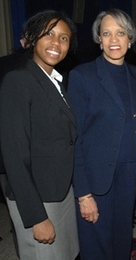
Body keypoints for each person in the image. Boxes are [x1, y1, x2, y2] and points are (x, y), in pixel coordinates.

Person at [67, 9, 136, 260]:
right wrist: (83, 193)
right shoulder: (83, 76)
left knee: (122, 242)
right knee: (96, 247)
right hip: (96, 181)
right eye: (107, 33)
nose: (114, 40)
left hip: (128, 178)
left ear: (130, 38)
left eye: (120, 33)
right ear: (99, 39)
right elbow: (75, 139)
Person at [0, 10, 79, 260]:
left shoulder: (55, 80)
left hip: (59, 190)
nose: (56, 43)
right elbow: (14, 155)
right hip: (37, 197)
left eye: (64, 38)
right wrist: (36, 216)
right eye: (49, 34)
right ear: (33, 38)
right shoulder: (18, 81)